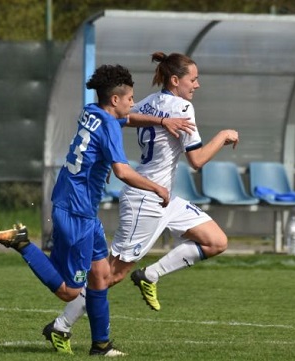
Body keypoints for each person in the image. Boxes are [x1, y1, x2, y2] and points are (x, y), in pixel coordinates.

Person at [40, 52, 239, 353]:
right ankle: (61, 326)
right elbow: (197, 160)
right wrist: (223, 135)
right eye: (193, 79)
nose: (197, 85)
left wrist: (160, 120)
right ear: (176, 80)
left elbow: (126, 117)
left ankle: (150, 274)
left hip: (163, 196)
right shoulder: (184, 107)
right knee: (109, 275)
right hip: (147, 198)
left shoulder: (148, 102)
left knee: (215, 241)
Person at [0, 64, 177, 357]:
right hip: (76, 211)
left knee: (100, 276)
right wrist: (157, 188)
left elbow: (128, 120)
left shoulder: (92, 112)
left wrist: (160, 123)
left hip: (76, 203)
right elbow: (122, 171)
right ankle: (21, 242)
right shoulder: (110, 124)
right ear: (115, 100)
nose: (133, 102)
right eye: (130, 98)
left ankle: (100, 345)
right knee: (69, 292)